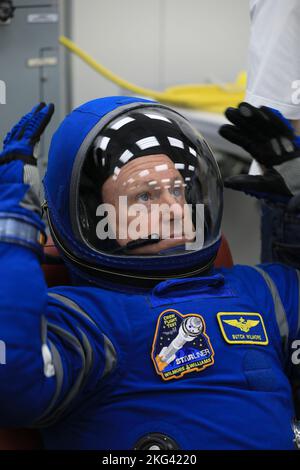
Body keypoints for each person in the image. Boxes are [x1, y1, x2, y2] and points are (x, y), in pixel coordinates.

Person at [0, 96, 300, 450]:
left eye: (177, 190)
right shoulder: (86, 319)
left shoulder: (264, 291)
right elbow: (12, 387)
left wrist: (295, 209)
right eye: (144, 196)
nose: (175, 209)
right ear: (88, 215)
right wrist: (13, 227)